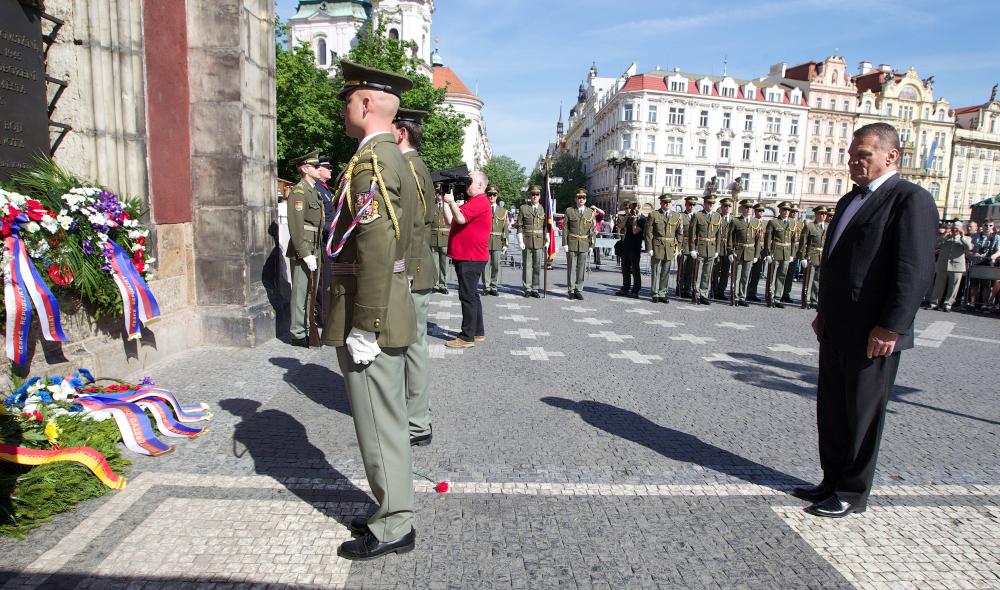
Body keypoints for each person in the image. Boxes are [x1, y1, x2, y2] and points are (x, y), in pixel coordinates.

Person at [794, 122, 938, 518]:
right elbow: (839, 264)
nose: (853, 161)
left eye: (864, 155)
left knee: (861, 411)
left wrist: (892, 325)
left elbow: (914, 268)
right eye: (852, 153)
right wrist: (824, 311)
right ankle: (831, 479)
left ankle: (852, 492)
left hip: (875, 330)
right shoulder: (848, 201)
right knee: (832, 408)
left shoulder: (910, 199)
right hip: (838, 324)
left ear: (890, 156)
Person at [323, 61, 417, 559]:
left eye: (347, 101)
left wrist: (367, 325)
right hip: (381, 306)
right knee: (388, 422)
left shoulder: (371, 164)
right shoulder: (386, 157)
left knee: (379, 427)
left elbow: (379, 247)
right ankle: (392, 508)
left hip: (370, 314)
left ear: (363, 104)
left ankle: (394, 523)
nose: (344, 110)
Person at [393, 108, 436, 448]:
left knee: (412, 346)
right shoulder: (415, 164)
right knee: (412, 344)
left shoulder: (408, 166)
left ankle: (417, 422)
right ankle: (416, 414)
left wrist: (405, 271)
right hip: (416, 266)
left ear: (402, 132)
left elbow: (413, 224)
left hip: (412, 269)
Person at [442, 170, 492, 347]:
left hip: (470, 256)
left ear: (480, 185)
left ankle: (466, 337)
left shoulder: (480, 200)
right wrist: (446, 202)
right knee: (472, 295)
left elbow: (461, 219)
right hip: (467, 255)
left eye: (470, 181)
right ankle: (477, 332)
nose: (466, 184)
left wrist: (452, 202)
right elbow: (451, 220)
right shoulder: (474, 202)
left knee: (467, 296)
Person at [284, 150, 324, 347]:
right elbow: (296, 226)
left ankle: (309, 327)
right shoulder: (299, 192)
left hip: (314, 246)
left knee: (312, 292)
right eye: (315, 166)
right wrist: (305, 253)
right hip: (304, 249)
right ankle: (298, 333)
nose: (319, 169)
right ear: (305, 169)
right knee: (300, 291)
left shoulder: (313, 190)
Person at [645, 193, 684, 303]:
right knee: (656, 270)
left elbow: (679, 234)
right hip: (657, 245)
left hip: (670, 247)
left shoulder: (677, 216)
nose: (667, 204)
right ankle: (655, 293)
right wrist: (649, 247)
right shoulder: (654, 215)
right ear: (661, 203)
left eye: (669, 202)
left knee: (666, 272)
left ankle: (662, 293)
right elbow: (648, 232)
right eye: (665, 202)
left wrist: (678, 248)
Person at [687, 194, 723, 305]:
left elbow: (718, 236)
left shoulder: (718, 216)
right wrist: (692, 248)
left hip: (711, 249)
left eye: (713, 203)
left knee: (707, 274)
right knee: (698, 273)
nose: (711, 205)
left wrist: (717, 250)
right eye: (709, 203)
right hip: (700, 248)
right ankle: (696, 293)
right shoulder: (698, 216)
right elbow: (692, 233)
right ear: (705, 203)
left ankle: (703, 294)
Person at [562, 188, 597, 300]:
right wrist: (565, 243)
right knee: (571, 267)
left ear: (586, 200)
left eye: (583, 197)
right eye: (579, 197)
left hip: (584, 243)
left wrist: (592, 245)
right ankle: (571, 290)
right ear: (576, 199)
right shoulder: (570, 211)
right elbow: (565, 228)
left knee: (581, 268)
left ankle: (579, 290)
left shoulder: (590, 212)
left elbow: (592, 230)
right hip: (572, 242)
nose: (581, 199)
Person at [930, 221, 972, 312]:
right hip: (943, 265)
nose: (954, 231)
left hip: (957, 266)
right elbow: (935, 245)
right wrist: (944, 237)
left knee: (953, 287)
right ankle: (934, 303)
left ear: (961, 229)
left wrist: (962, 237)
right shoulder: (946, 238)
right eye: (953, 229)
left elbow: (969, 248)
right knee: (938, 285)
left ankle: (948, 304)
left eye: (957, 229)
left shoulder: (966, 238)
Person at [727, 199, 761, 307]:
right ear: (741, 209)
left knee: (745, 276)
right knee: (736, 276)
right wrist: (730, 251)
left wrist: (756, 255)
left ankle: (742, 296)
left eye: (750, 207)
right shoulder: (736, 221)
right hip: (738, 252)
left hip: (750, 252)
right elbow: (730, 238)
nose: (749, 209)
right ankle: (735, 296)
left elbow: (758, 240)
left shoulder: (756, 222)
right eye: (746, 207)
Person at [516, 186, 547, 297]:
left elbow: (546, 226)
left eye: (537, 194)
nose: (535, 196)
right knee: (527, 266)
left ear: (540, 196)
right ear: (530, 196)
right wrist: (520, 239)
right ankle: (527, 288)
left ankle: (535, 288)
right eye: (533, 194)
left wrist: (547, 239)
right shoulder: (524, 208)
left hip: (539, 241)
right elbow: (519, 225)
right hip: (527, 240)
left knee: (537, 266)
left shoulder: (544, 208)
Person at [763, 202, 794, 308]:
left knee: (782, 276)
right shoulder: (773, 222)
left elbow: (794, 240)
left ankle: (777, 298)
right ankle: (770, 296)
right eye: (784, 210)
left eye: (788, 210)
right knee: (772, 276)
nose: (786, 212)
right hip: (776, 252)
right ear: (780, 210)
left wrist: (792, 254)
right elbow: (768, 239)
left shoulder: (792, 223)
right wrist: (768, 253)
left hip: (786, 253)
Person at [798, 206, 829, 309]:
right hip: (811, 255)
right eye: (821, 213)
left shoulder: (828, 226)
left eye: (825, 214)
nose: (824, 215)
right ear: (816, 214)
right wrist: (802, 257)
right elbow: (803, 242)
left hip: (822, 256)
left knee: (817, 280)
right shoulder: (810, 226)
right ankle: (806, 300)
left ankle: (813, 299)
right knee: (809, 280)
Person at [967, 219, 999, 310]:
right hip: (976, 261)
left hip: (988, 262)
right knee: (974, 284)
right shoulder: (975, 235)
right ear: (982, 225)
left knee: (986, 285)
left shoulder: (996, 237)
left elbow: (999, 250)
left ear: (993, 226)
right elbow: (969, 248)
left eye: (990, 225)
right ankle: (972, 303)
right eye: (986, 225)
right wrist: (973, 253)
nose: (988, 227)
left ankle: (984, 304)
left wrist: (994, 255)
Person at [482, 185, 508, 296]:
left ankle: (494, 285)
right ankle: (486, 286)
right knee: (485, 265)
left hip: (497, 241)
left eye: (494, 194)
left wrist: (505, 243)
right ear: (487, 195)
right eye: (490, 194)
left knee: (496, 265)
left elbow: (505, 228)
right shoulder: (482, 209)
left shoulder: (503, 211)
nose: (492, 196)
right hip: (484, 241)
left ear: (497, 196)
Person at [615, 201, 644, 298]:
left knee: (635, 269)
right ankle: (625, 288)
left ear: (639, 208)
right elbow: (621, 226)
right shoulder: (629, 217)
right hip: (626, 246)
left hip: (635, 247)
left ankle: (635, 290)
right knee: (625, 268)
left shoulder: (642, 219)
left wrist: (635, 219)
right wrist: (627, 215)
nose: (633, 209)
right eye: (631, 208)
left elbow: (635, 231)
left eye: (635, 208)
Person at [781, 204, 805, 304]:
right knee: (782, 273)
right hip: (785, 249)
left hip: (795, 252)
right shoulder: (786, 222)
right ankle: (779, 293)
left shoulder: (800, 224)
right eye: (793, 211)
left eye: (796, 212)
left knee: (790, 274)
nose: (794, 213)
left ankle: (786, 293)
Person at [711, 197, 734, 300]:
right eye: (725, 206)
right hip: (718, 247)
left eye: (729, 206)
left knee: (725, 271)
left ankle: (721, 291)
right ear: (721, 207)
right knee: (715, 270)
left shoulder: (734, 219)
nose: (727, 208)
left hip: (728, 249)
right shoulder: (717, 218)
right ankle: (714, 290)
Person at [429, 184, 450, 294]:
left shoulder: (449, 206)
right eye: (438, 193)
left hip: (445, 238)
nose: (440, 195)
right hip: (433, 237)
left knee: (444, 263)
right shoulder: (431, 206)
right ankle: (435, 284)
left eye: (442, 193)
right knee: (434, 263)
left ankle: (443, 284)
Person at [746, 203, 768, 302]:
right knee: (747, 272)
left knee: (756, 273)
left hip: (761, 252)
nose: (761, 213)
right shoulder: (751, 221)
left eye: (762, 211)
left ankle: (752, 292)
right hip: (750, 249)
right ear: (755, 212)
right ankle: (744, 291)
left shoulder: (766, 223)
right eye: (759, 211)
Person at [677, 196, 698, 298]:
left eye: (694, 205)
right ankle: (679, 288)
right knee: (682, 269)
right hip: (683, 245)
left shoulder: (697, 216)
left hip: (693, 247)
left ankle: (687, 289)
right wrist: (678, 247)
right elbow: (678, 233)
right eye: (690, 204)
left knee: (690, 270)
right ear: (685, 204)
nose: (692, 206)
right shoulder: (680, 216)